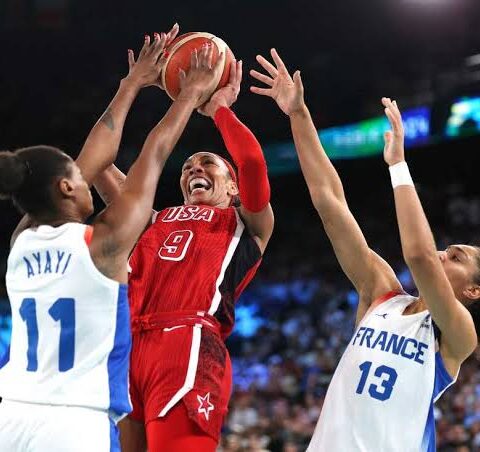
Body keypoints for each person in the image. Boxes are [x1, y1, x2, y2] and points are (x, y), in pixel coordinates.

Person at [250, 49, 479, 451]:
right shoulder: (382, 295)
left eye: (457, 257)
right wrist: (298, 115)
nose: (444, 253)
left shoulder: (458, 336)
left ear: (474, 291)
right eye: (448, 249)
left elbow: (420, 256)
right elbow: (329, 202)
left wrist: (398, 165)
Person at [0, 34, 220, 451]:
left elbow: (90, 158)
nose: (88, 178)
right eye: (80, 178)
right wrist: (188, 95)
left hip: (10, 415)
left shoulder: (22, 240)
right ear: (66, 188)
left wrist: (132, 83)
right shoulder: (103, 244)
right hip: (73, 426)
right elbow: (152, 157)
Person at [93, 49, 274, 452]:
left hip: (187, 341)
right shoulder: (152, 219)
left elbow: (253, 163)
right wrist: (135, 86)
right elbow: (97, 164)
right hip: (128, 346)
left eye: (207, 163)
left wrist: (219, 108)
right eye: (187, 167)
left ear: (232, 187)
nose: (193, 169)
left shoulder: (245, 223)